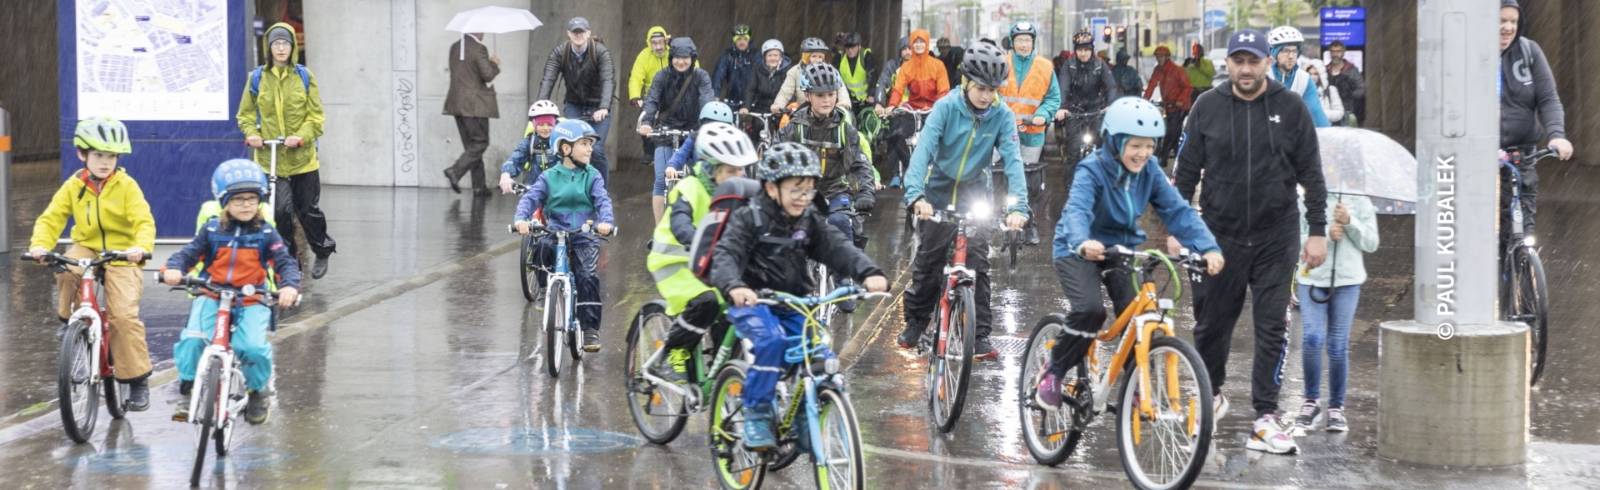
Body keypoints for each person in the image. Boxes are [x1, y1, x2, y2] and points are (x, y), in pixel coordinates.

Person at [1174, 29, 1329, 456]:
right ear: (1229, 64)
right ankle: (1212, 394)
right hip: (1217, 236)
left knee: (1272, 327)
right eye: (1239, 61)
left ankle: (1265, 417)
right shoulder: (1206, 107)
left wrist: (1316, 231)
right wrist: (1177, 225)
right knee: (1211, 325)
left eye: (1254, 61)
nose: (1246, 69)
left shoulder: (1290, 107)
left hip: (1276, 235)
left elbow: (1313, 175)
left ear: (1267, 62)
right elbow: (1186, 171)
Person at [1034, 97, 1224, 408]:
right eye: (1136, 146)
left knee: (1141, 311)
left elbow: (1179, 211)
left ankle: (1136, 382)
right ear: (1116, 141)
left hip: (1120, 250)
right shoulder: (1091, 170)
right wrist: (1083, 242)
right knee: (1091, 312)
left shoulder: (1150, 171)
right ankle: (1053, 371)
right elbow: (1077, 212)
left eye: (1149, 146)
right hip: (1076, 248)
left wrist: (1208, 247)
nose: (1144, 154)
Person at [708, 142, 889, 449]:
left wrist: (868, 271)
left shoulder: (808, 219)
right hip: (754, 301)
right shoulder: (749, 218)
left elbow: (837, 246)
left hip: (793, 303)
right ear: (771, 188)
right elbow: (725, 254)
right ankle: (756, 412)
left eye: (808, 190)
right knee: (771, 342)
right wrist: (736, 286)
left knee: (820, 353)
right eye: (795, 190)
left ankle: (808, 415)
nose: (803, 198)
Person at [899, 41, 1029, 360]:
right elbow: (924, 151)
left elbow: (1013, 162)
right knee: (928, 262)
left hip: (974, 191)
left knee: (978, 265)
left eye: (993, 89)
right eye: (981, 88)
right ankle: (917, 321)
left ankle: (980, 334)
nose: (987, 96)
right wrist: (915, 194)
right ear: (966, 82)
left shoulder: (1001, 115)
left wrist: (1018, 207)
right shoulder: (946, 107)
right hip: (939, 190)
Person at [29, 117, 156, 412]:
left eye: (111, 156)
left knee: (123, 316)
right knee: (66, 269)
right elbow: (52, 218)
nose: (104, 162)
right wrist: (40, 245)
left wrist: (140, 247)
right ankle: (69, 321)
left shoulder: (127, 186)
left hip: (122, 251)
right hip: (86, 245)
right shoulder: (74, 186)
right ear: (81, 154)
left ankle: (136, 378)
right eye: (98, 155)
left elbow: (143, 221)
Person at [162, 160, 303, 425]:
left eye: (252, 199)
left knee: (251, 347)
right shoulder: (213, 229)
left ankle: (257, 391)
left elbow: (284, 261)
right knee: (193, 340)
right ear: (224, 201)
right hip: (212, 293)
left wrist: (289, 286)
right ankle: (189, 388)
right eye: (238, 199)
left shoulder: (265, 233)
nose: (247, 205)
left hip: (251, 298)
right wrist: (173, 268)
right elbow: (189, 254)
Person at [645, 123, 760, 383]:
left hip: (711, 262)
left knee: (734, 306)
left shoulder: (740, 194)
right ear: (711, 168)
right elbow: (681, 223)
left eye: (741, 169)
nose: (739, 176)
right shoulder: (688, 188)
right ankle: (674, 354)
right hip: (676, 263)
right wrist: (703, 241)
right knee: (706, 302)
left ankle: (722, 375)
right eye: (731, 170)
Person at [240, 22, 335, 278]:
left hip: (303, 159)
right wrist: (252, 134)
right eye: (276, 43)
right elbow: (246, 115)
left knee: (308, 211)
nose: (281, 48)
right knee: (280, 212)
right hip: (271, 159)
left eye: (285, 43)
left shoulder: (304, 76)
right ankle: (290, 260)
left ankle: (322, 248)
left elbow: (316, 117)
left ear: (292, 47)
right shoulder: (257, 78)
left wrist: (301, 137)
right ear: (269, 47)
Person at [514, 120, 617, 351]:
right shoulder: (549, 176)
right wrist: (521, 219)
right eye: (584, 143)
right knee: (541, 249)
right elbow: (531, 198)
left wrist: (606, 222)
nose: (590, 149)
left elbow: (603, 201)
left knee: (587, 276)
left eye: (590, 144)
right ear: (565, 148)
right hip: (555, 229)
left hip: (584, 233)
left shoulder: (593, 176)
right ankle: (544, 290)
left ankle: (590, 329)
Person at [1292, 194, 1378, 435]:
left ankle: (1336, 407)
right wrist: (1324, 236)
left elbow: (1371, 243)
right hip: (1312, 278)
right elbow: (1293, 238)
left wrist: (1350, 222)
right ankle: (1311, 401)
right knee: (1312, 338)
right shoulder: (1306, 200)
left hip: (1348, 281)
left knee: (1338, 344)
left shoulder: (1361, 202)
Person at [776, 63, 876, 253]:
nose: (827, 100)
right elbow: (774, 162)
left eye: (831, 94)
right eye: (820, 95)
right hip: (801, 192)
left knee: (841, 224)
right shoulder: (793, 128)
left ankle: (844, 280)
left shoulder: (845, 131)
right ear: (808, 96)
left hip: (835, 192)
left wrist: (865, 193)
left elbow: (860, 165)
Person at [1499, 0, 1575, 240]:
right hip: (1481, 162)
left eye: (1513, 21)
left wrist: (1557, 135)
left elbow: (1548, 98)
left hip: (1523, 156)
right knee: (1492, 234)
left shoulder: (1529, 51)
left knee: (1523, 233)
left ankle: (1525, 267)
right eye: (1501, 20)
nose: (1508, 27)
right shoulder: (1469, 55)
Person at [996, 21, 1062, 246]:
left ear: (1033, 42)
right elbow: (991, 92)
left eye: (1027, 40)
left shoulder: (1045, 67)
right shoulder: (1001, 63)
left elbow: (1053, 98)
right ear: (1012, 42)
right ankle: (988, 219)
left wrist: (1044, 113)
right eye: (1019, 40)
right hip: (1002, 131)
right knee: (993, 174)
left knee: (1029, 181)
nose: (1023, 44)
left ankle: (1029, 222)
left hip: (1032, 132)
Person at [639, 37, 715, 222]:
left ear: (693, 58)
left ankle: (699, 222)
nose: (681, 62)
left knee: (702, 177)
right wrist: (647, 122)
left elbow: (707, 99)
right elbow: (652, 101)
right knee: (660, 178)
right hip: (666, 131)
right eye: (677, 57)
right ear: (671, 57)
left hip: (694, 131)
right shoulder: (662, 76)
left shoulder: (701, 76)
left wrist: (707, 124)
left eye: (686, 57)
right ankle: (658, 230)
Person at [538, 17, 618, 185]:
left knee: (594, 149)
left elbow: (608, 80)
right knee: (569, 148)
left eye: (582, 32)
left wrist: (604, 107)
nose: (578, 35)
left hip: (598, 107)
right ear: (569, 34)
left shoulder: (600, 52)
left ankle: (601, 189)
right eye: (575, 32)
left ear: (588, 33)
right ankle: (571, 186)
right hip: (574, 105)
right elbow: (548, 79)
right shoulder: (560, 52)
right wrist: (540, 106)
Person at [443, 30, 501, 196]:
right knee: (480, 143)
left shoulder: (455, 47)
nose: (484, 33)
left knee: (472, 147)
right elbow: (487, 75)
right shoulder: (478, 48)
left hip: (456, 103)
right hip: (475, 105)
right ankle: (455, 171)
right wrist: (494, 64)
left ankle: (479, 187)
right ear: (476, 31)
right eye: (482, 30)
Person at [1058, 31, 1119, 159]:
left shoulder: (1100, 64)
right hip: (1074, 110)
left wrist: (1110, 105)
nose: (1083, 53)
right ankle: (1072, 179)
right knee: (1073, 150)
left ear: (1092, 50)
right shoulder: (1069, 65)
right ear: (1075, 50)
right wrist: (1062, 107)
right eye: (1080, 50)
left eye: (1087, 49)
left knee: (1101, 146)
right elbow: (1063, 87)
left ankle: (1100, 176)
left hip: (1095, 109)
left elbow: (1111, 86)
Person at [1265, 26, 1331, 128]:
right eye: (1285, 51)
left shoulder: (1304, 79)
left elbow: (1316, 113)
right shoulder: (1264, 76)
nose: (1291, 56)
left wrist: (1328, 139)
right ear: (1275, 52)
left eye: (1294, 51)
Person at [872, 36, 913, 188]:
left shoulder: (920, 66)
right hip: (897, 109)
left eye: (910, 49)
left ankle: (916, 171)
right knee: (893, 136)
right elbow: (882, 83)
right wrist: (879, 103)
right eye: (905, 49)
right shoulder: (893, 65)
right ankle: (895, 174)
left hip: (917, 110)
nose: (908, 52)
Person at [772, 37, 853, 113]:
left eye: (820, 57)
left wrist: (844, 103)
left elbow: (841, 89)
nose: (817, 60)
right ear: (805, 57)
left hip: (826, 113)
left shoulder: (830, 70)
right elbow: (785, 92)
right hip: (803, 113)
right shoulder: (794, 72)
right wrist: (778, 105)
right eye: (814, 56)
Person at [498, 100, 562, 194]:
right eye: (540, 124)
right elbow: (515, 158)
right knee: (525, 207)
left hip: (559, 191)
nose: (545, 128)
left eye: (549, 124)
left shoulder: (562, 142)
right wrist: (505, 174)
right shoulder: (529, 142)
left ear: (555, 124)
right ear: (534, 125)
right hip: (535, 190)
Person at [663, 101, 739, 181]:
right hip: (696, 182)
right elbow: (681, 154)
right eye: (711, 126)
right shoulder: (695, 138)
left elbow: (740, 167)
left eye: (721, 128)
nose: (716, 132)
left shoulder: (732, 143)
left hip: (723, 183)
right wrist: (672, 166)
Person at [1144, 45, 1192, 162]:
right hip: (1168, 106)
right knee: (1172, 130)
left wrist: (1181, 100)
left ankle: (1163, 156)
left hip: (1179, 106)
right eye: (1157, 56)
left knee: (1172, 131)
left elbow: (1188, 87)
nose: (1158, 59)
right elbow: (1151, 85)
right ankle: (1176, 153)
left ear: (1167, 57)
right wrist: (1144, 99)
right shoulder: (1158, 70)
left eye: (1161, 56)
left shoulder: (1177, 70)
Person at [741, 39, 793, 146]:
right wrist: (746, 106)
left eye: (776, 55)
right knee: (757, 129)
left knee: (783, 133)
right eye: (770, 55)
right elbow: (750, 89)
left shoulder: (788, 71)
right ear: (764, 57)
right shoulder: (758, 69)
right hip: (762, 107)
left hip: (780, 108)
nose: (773, 58)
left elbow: (790, 91)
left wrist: (785, 108)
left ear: (781, 57)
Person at [713, 24, 758, 110]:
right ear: (734, 40)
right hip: (731, 101)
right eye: (739, 39)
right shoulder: (727, 55)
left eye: (745, 39)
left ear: (749, 40)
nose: (742, 42)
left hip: (753, 102)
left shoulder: (756, 55)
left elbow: (762, 76)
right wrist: (716, 95)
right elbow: (718, 76)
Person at [1323, 41, 1365, 125]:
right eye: (1333, 51)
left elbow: (1361, 89)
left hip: (1347, 112)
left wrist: (1349, 96)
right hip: (1330, 111)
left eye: (1338, 51)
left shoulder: (1351, 70)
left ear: (1343, 52)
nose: (1335, 54)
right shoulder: (1325, 70)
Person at [837, 32, 878, 109]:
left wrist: (871, 94)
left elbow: (873, 76)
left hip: (865, 101)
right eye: (847, 48)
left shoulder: (866, 56)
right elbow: (835, 78)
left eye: (853, 47)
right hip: (848, 100)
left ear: (859, 46)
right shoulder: (840, 57)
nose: (850, 50)